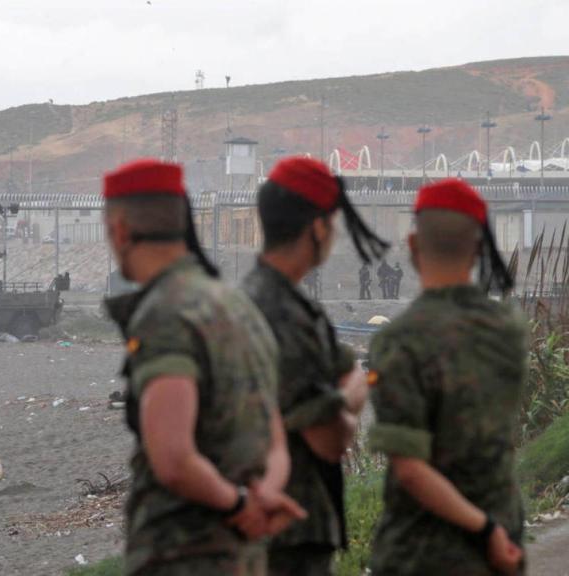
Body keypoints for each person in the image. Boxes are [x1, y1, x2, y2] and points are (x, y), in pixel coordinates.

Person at [102, 159, 306, 576]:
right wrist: (263, 495)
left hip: (183, 554)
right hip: (245, 556)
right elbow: (274, 436)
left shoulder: (166, 314)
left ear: (120, 230)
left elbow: (173, 459)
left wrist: (238, 504)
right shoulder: (237, 305)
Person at [368, 179, 524, 575]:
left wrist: (482, 528)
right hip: (502, 544)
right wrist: (492, 528)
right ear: (476, 250)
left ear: (414, 246)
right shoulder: (508, 329)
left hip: (422, 553)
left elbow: (410, 468)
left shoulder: (398, 342)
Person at [241, 157, 389, 576]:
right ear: (318, 227)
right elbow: (329, 440)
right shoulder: (287, 315)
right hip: (289, 531)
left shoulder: (258, 300)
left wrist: (337, 396)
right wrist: (349, 398)